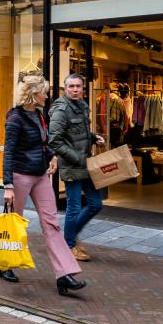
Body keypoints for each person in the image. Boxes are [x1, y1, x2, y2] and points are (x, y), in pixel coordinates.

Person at [0, 75, 87, 295]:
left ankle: (64, 275)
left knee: (52, 224)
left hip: (40, 176)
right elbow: (8, 152)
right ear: (32, 94)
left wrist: (52, 156)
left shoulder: (39, 115)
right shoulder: (15, 118)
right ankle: (3, 264)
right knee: (14, 224)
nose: (47, 96)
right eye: (44, 92)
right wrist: (7, 185)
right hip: (20, 177)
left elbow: (44, 143)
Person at [48, 73, 105, 261]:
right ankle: (69, 244)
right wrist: (77, 158)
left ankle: (70, 236)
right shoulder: (61, 110)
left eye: (78, 86)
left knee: (95, 204)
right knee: (73, 207)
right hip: (72, 166)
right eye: (71, 86)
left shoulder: (81, 106)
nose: (75, 90)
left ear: (82, 88)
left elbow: (79, 132)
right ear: (65, 88)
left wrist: (93, 136)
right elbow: (54, 141)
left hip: (85, 163)